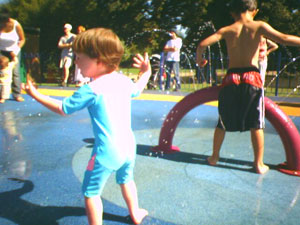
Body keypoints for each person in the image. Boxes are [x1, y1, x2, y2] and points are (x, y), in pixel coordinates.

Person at [25, 27, 151, 225]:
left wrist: (35, 94)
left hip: (106, 152)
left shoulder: (91, 89)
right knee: (126, 179)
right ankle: (135, 212)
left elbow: (62, 108)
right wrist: (147, 72)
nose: (76, 62)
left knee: (91, 192)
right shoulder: (124, 81)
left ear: (98, 61)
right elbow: (139, 88)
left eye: (79, 57)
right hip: (129, 147)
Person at [196, 0, 300, 174]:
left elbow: (202, 44)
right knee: (256, 123)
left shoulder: (226, 30)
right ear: (255, 11)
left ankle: (214, 157)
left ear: (232, 13)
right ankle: (258, 164)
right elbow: (284, 39)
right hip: (252, 78)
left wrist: (200, 59)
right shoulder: (259, 26)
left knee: (222, 121)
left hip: (231, 78)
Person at [0, 9, 26, 102]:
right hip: (2, 51)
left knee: (15, 73)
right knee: (2, 72)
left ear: (8, 19)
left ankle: (17, 94)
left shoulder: (16, 25)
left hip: (14, 51)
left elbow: (22, 39)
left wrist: (15, 51)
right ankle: (1, 95)